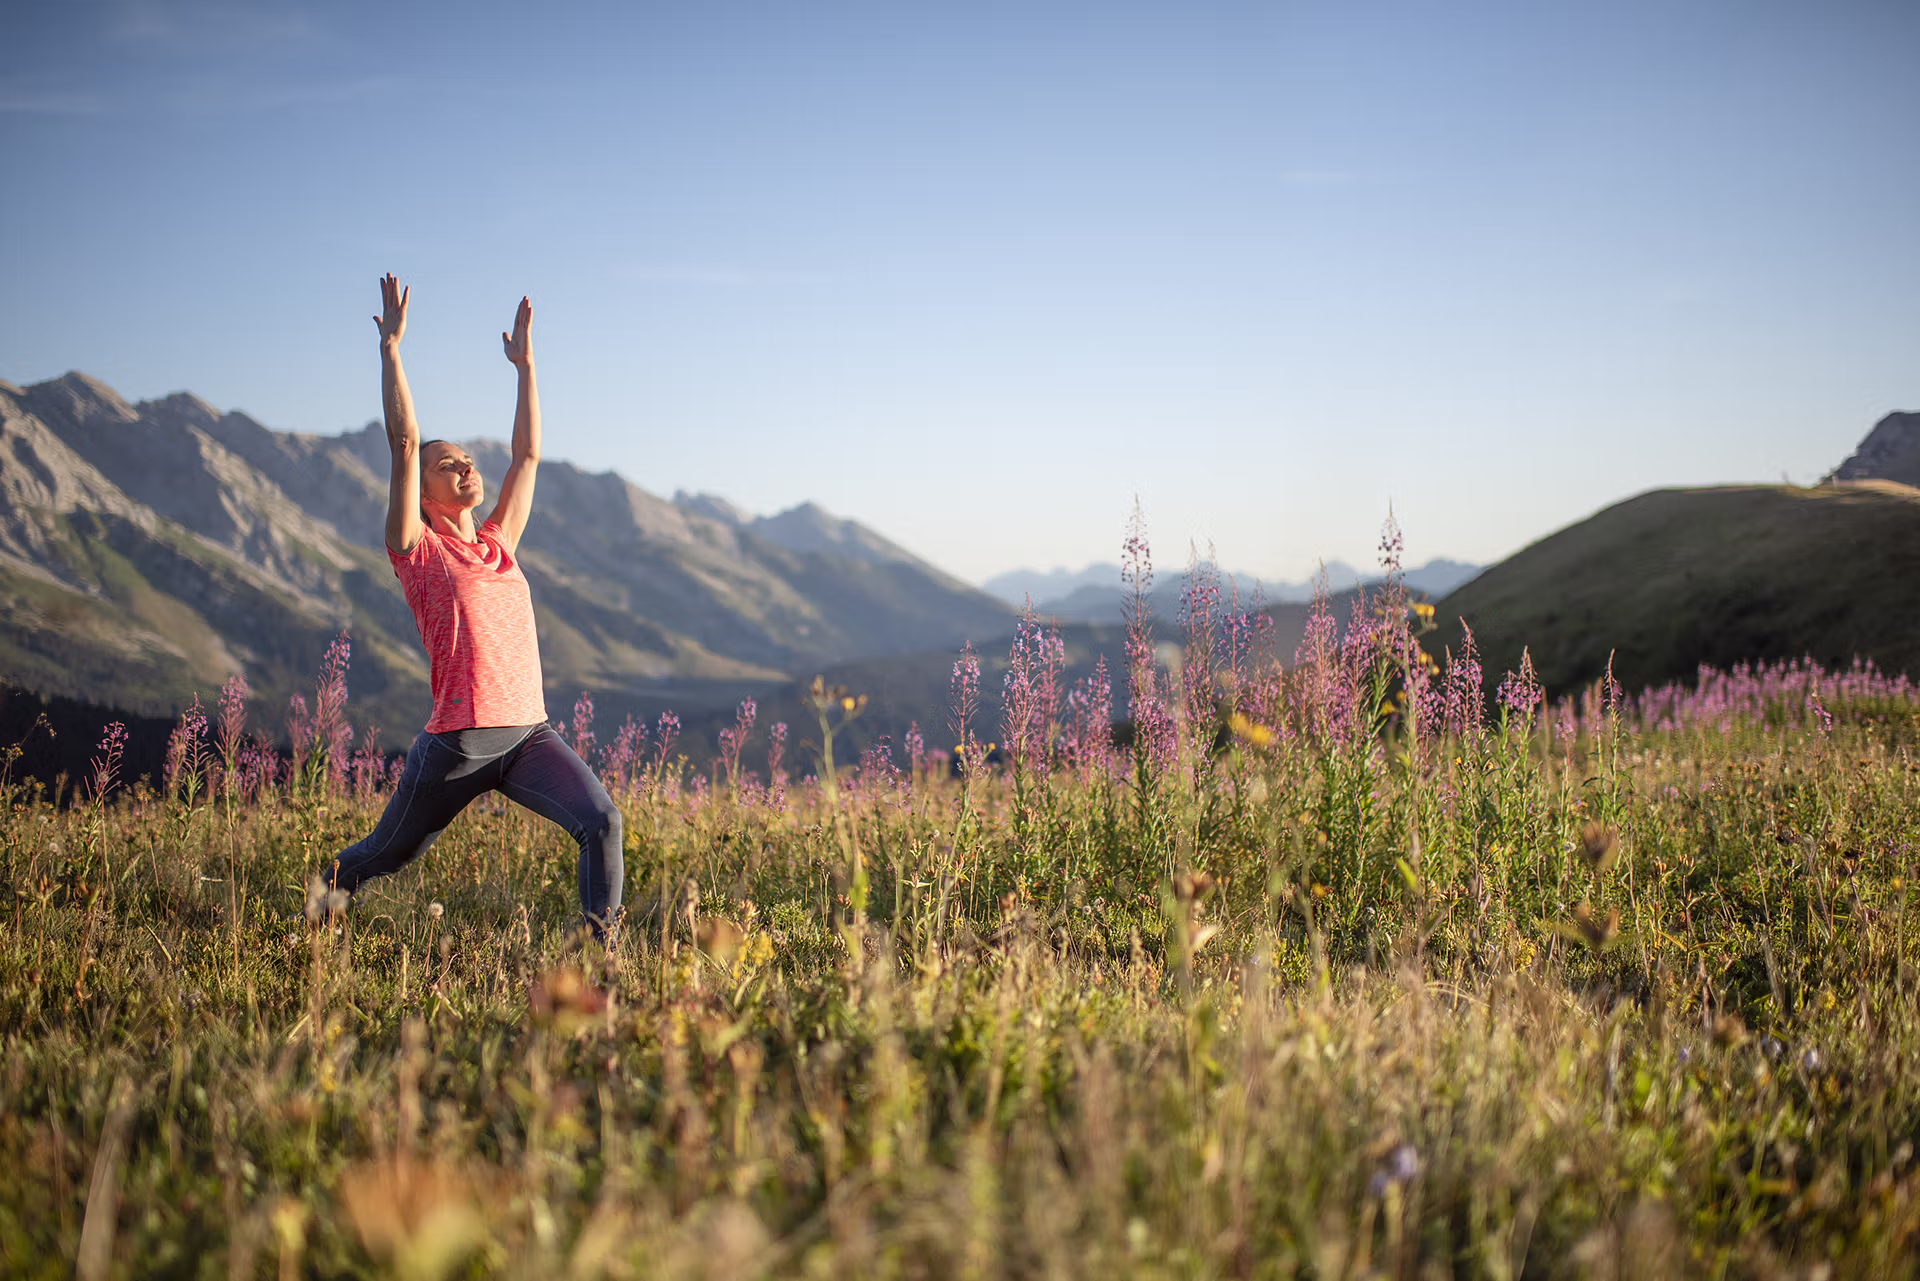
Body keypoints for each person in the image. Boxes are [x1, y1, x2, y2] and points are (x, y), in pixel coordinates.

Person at [328, 274, 623, 941]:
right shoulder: (418, 551)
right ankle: (321, 906)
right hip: (457, 744)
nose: (464, 468)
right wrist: (392, 352)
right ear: (425, 494)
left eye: (466, 460)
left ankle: (603, 959)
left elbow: (528, 454)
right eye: (447, 465)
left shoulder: (499, 545)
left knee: (601, 820)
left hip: (530, 735)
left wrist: (526, 368)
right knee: (386, 854)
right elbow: (404, 444)